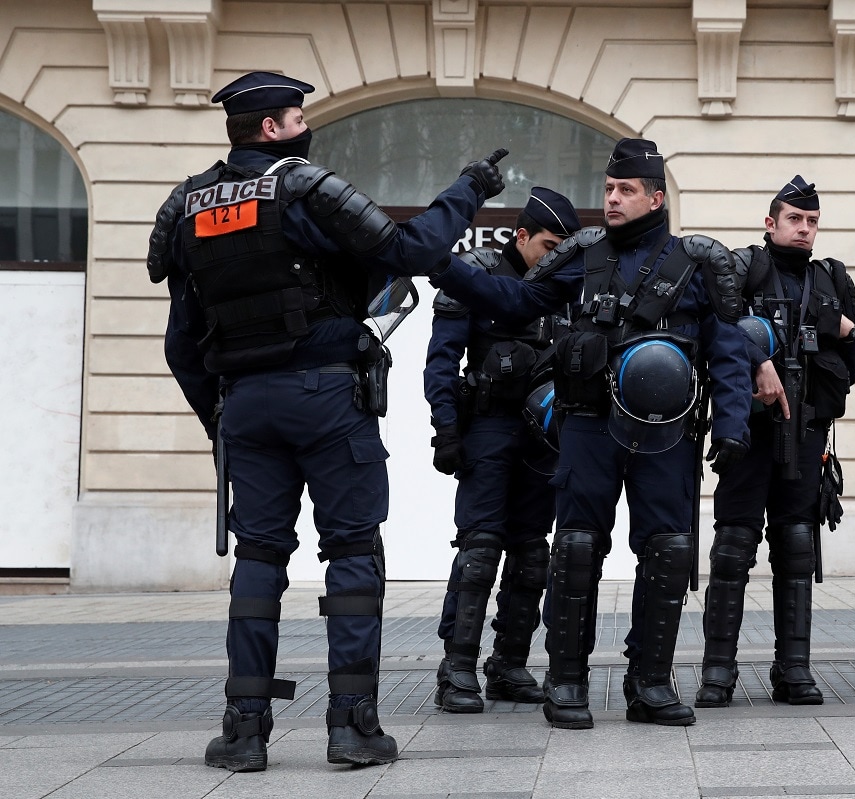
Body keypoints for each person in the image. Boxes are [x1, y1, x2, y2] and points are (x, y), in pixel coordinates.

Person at [145, 71, 507, 771]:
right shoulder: (304, 188)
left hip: (246, 404)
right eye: (298, 116)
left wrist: (219, 415)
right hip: (325, 398)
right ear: (275, 129)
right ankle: (352, 726)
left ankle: (245, 729)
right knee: (350, 552)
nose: (307, 125)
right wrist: (469, 188)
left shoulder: (187, 206)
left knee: (258, 558)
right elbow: (412, 252)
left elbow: (180, 341)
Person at [425, 138, 752, 729]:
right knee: (575, 551)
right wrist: (447, 266)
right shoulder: (581, 255)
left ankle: (650, 683)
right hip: (587, 426)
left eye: (625, 191)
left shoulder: (697, 265)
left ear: (655, 197)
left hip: (667, 436)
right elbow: (517, 298)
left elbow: (727, 352)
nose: (613, 200)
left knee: (668, 554)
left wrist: (731, 426)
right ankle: (567, 683)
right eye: (608, 190)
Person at [694, 176, 855, 708]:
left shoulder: (833, 278)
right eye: (795, 220)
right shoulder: (744, 269)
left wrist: (835, 329)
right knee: (732, 549)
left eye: (812, 222)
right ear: (771, 223)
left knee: (796, 549)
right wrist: (759, 360)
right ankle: (718, 673)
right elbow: (714, 328)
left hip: (807, 433)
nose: (805, 229)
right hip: (748, 433)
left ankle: (793, 670)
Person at [423, 187, 582, 713]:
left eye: (564, 246)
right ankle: (458, 668)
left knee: (533, 553)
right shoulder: (478, 271)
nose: (555, 254)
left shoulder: (566, 285)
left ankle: (510, 663)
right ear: (521, 236)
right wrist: (446, 429)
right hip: (488, 427)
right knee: (479, 550)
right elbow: (441, 361)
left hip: (546, 436)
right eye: (548, 244)